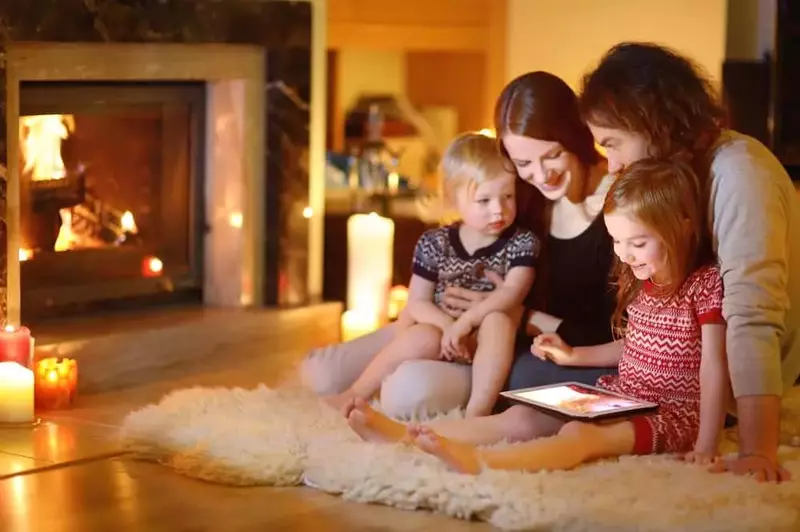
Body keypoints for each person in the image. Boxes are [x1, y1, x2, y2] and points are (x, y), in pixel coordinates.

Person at [344, 158, 730, 476]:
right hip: (623, 396)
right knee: (522, 419)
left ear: (682, 227)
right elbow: (635, 344)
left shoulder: (705, 284)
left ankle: (481, 463)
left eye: (638, 242)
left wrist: (707, 442)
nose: (626, 254)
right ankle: (405, 436)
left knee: (580, 438)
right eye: (617, 241)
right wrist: (574, 356)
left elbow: (714, 364)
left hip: (674, 414)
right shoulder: (642, 282)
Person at [301, 72, 617, 419]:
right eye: (524, 163)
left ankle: (459, 412)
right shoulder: (519, 194)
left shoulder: (621, 210)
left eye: (553, 156)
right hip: (446, 324)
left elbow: (615, 333)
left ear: (575, 136)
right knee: (321, 374)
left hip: (512, 345)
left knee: (406, 392)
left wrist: (519, 315)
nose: (542, 176)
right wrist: (427, 318)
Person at [578, 41, 800, 482]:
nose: (613, 162)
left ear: (649, 120)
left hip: (734, 384)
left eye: (613, 143)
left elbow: (752, 317)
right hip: (682, 375)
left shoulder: (739, 173)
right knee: (542, 388)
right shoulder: (675, 175)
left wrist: (756, 451)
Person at [324, 133, 538, 417]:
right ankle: (356, 393)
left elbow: (512, 292)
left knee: (498, 320)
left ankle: (478, 412)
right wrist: (449, 326)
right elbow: (417, 301)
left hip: (485, 341)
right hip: (443, 334)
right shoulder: (435, 242)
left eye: (507, 196)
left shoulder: (521, 242)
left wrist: (467, 323)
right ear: (452, 198)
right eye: (484, 200)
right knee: (421, 335)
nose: (498, 209)